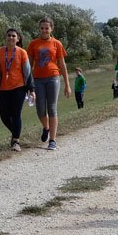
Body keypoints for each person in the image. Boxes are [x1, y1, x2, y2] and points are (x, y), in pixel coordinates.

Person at [26, 17, 70, 150]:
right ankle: (46, 127)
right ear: (39, 29)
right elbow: (29, 65)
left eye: (47, 28)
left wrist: (67, 85)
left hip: (53, 78)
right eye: (42, 28)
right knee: (40, 110)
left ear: (51, 29)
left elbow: (62, 64)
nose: (44, 30)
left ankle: (52, 140)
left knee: (52, 109)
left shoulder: (57, 43)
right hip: (37, 80)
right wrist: (28, 84)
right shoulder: (33, 44)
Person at [0, 27, 33, 152]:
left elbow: (28, 73)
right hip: (4, 88)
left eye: (14, 36)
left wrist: (31, 89)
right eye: (9, 35)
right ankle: (16, 132)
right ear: (6, 37)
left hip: (19, 88)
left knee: (16, 114)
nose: (11, 38)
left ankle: (16, 141)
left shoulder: (22, 52)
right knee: (4, 116)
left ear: (18, 39)